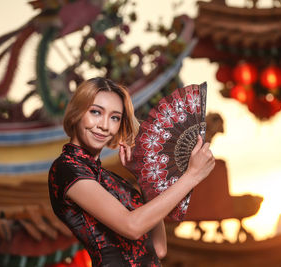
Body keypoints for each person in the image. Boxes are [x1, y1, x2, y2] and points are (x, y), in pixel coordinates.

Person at [48, 77, 215, 266]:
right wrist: (191, 176)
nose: (104, 125)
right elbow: (133, 226)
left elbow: (159, 248)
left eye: (114, 117)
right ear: (77, 112)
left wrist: (143, 180)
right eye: (96, 112)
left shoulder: (110, 180)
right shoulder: (66, 168)